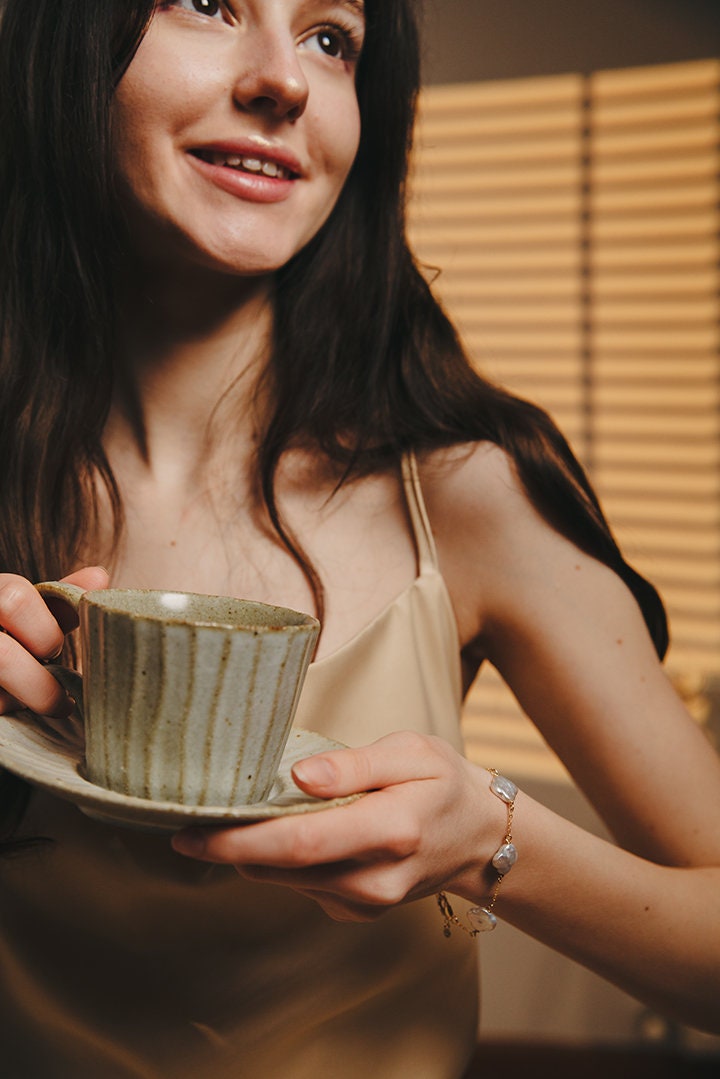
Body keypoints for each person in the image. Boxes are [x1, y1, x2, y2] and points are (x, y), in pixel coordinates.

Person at [0, 0, 718, 1076]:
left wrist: (489, 842)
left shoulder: (469, 488)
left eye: (330, 39)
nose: (283, 79)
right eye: (208, 1)